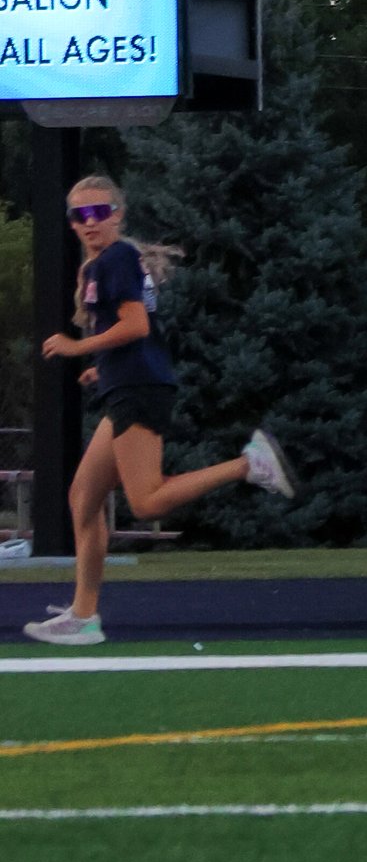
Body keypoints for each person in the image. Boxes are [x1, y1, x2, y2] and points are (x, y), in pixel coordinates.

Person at [20, 172, 295, 647]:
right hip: (127, 385)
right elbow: (133, 334)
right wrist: (103, 368)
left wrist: (77, 348)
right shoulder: (107, 263)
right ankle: (83, 616)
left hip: (139, 390)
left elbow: (136, 327)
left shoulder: (116, 258)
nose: (90, 221)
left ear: (118, 215)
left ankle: (248, 465)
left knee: (145, 502)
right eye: (80, 214)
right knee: (83, 499)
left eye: (99, 211)